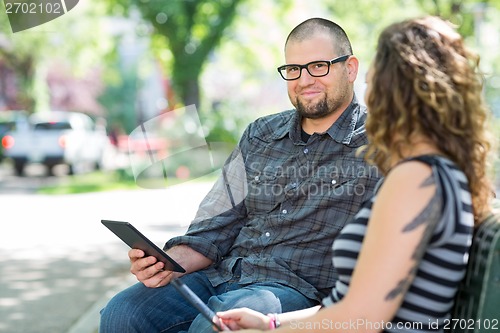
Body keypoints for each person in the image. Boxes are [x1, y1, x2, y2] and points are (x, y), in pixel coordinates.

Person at [99, 17, 381, 333]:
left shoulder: (379, 145)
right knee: (122, 313)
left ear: (350, 68)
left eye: (318, 66)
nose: (304, 80)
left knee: (214, 327)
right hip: (223, 276)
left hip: (293, 293)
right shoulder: (260, 134)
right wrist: (166, 264)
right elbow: (214, 227)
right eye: (293, 70)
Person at [217, 16, 494, 333]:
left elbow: (363, 318)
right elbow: (355, 305)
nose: (367, 89)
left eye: (374, 78)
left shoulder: (416, 179)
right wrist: (271, 323)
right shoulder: (436, 173)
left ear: (393, 91)